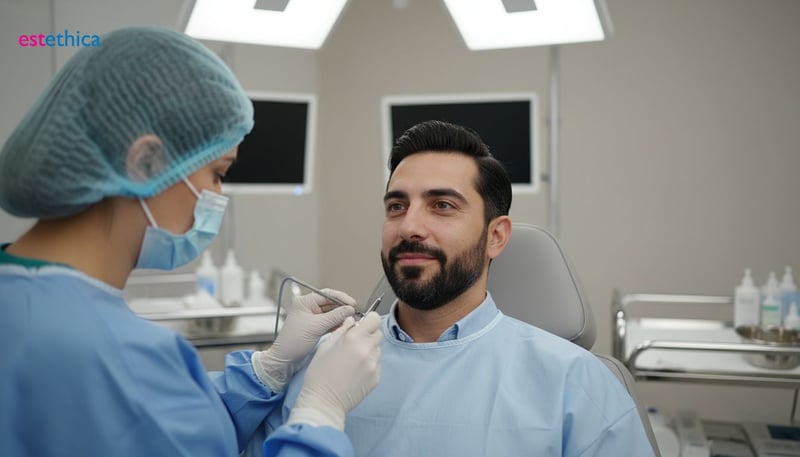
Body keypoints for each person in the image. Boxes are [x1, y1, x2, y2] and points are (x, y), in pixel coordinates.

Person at [0, 26, 382, 457]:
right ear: (146, 162)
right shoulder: (107, 357)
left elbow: (171, 431)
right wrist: (320, 411)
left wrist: (268, 369)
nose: (220, 196)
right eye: (218, 173)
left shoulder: (25, 308)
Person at [261, 120, 656, 456]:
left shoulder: (575, 383)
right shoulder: (324, 368)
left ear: (495, 237)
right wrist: (269, 369)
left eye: (442, 206)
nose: (409, 226)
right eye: (397, 206)